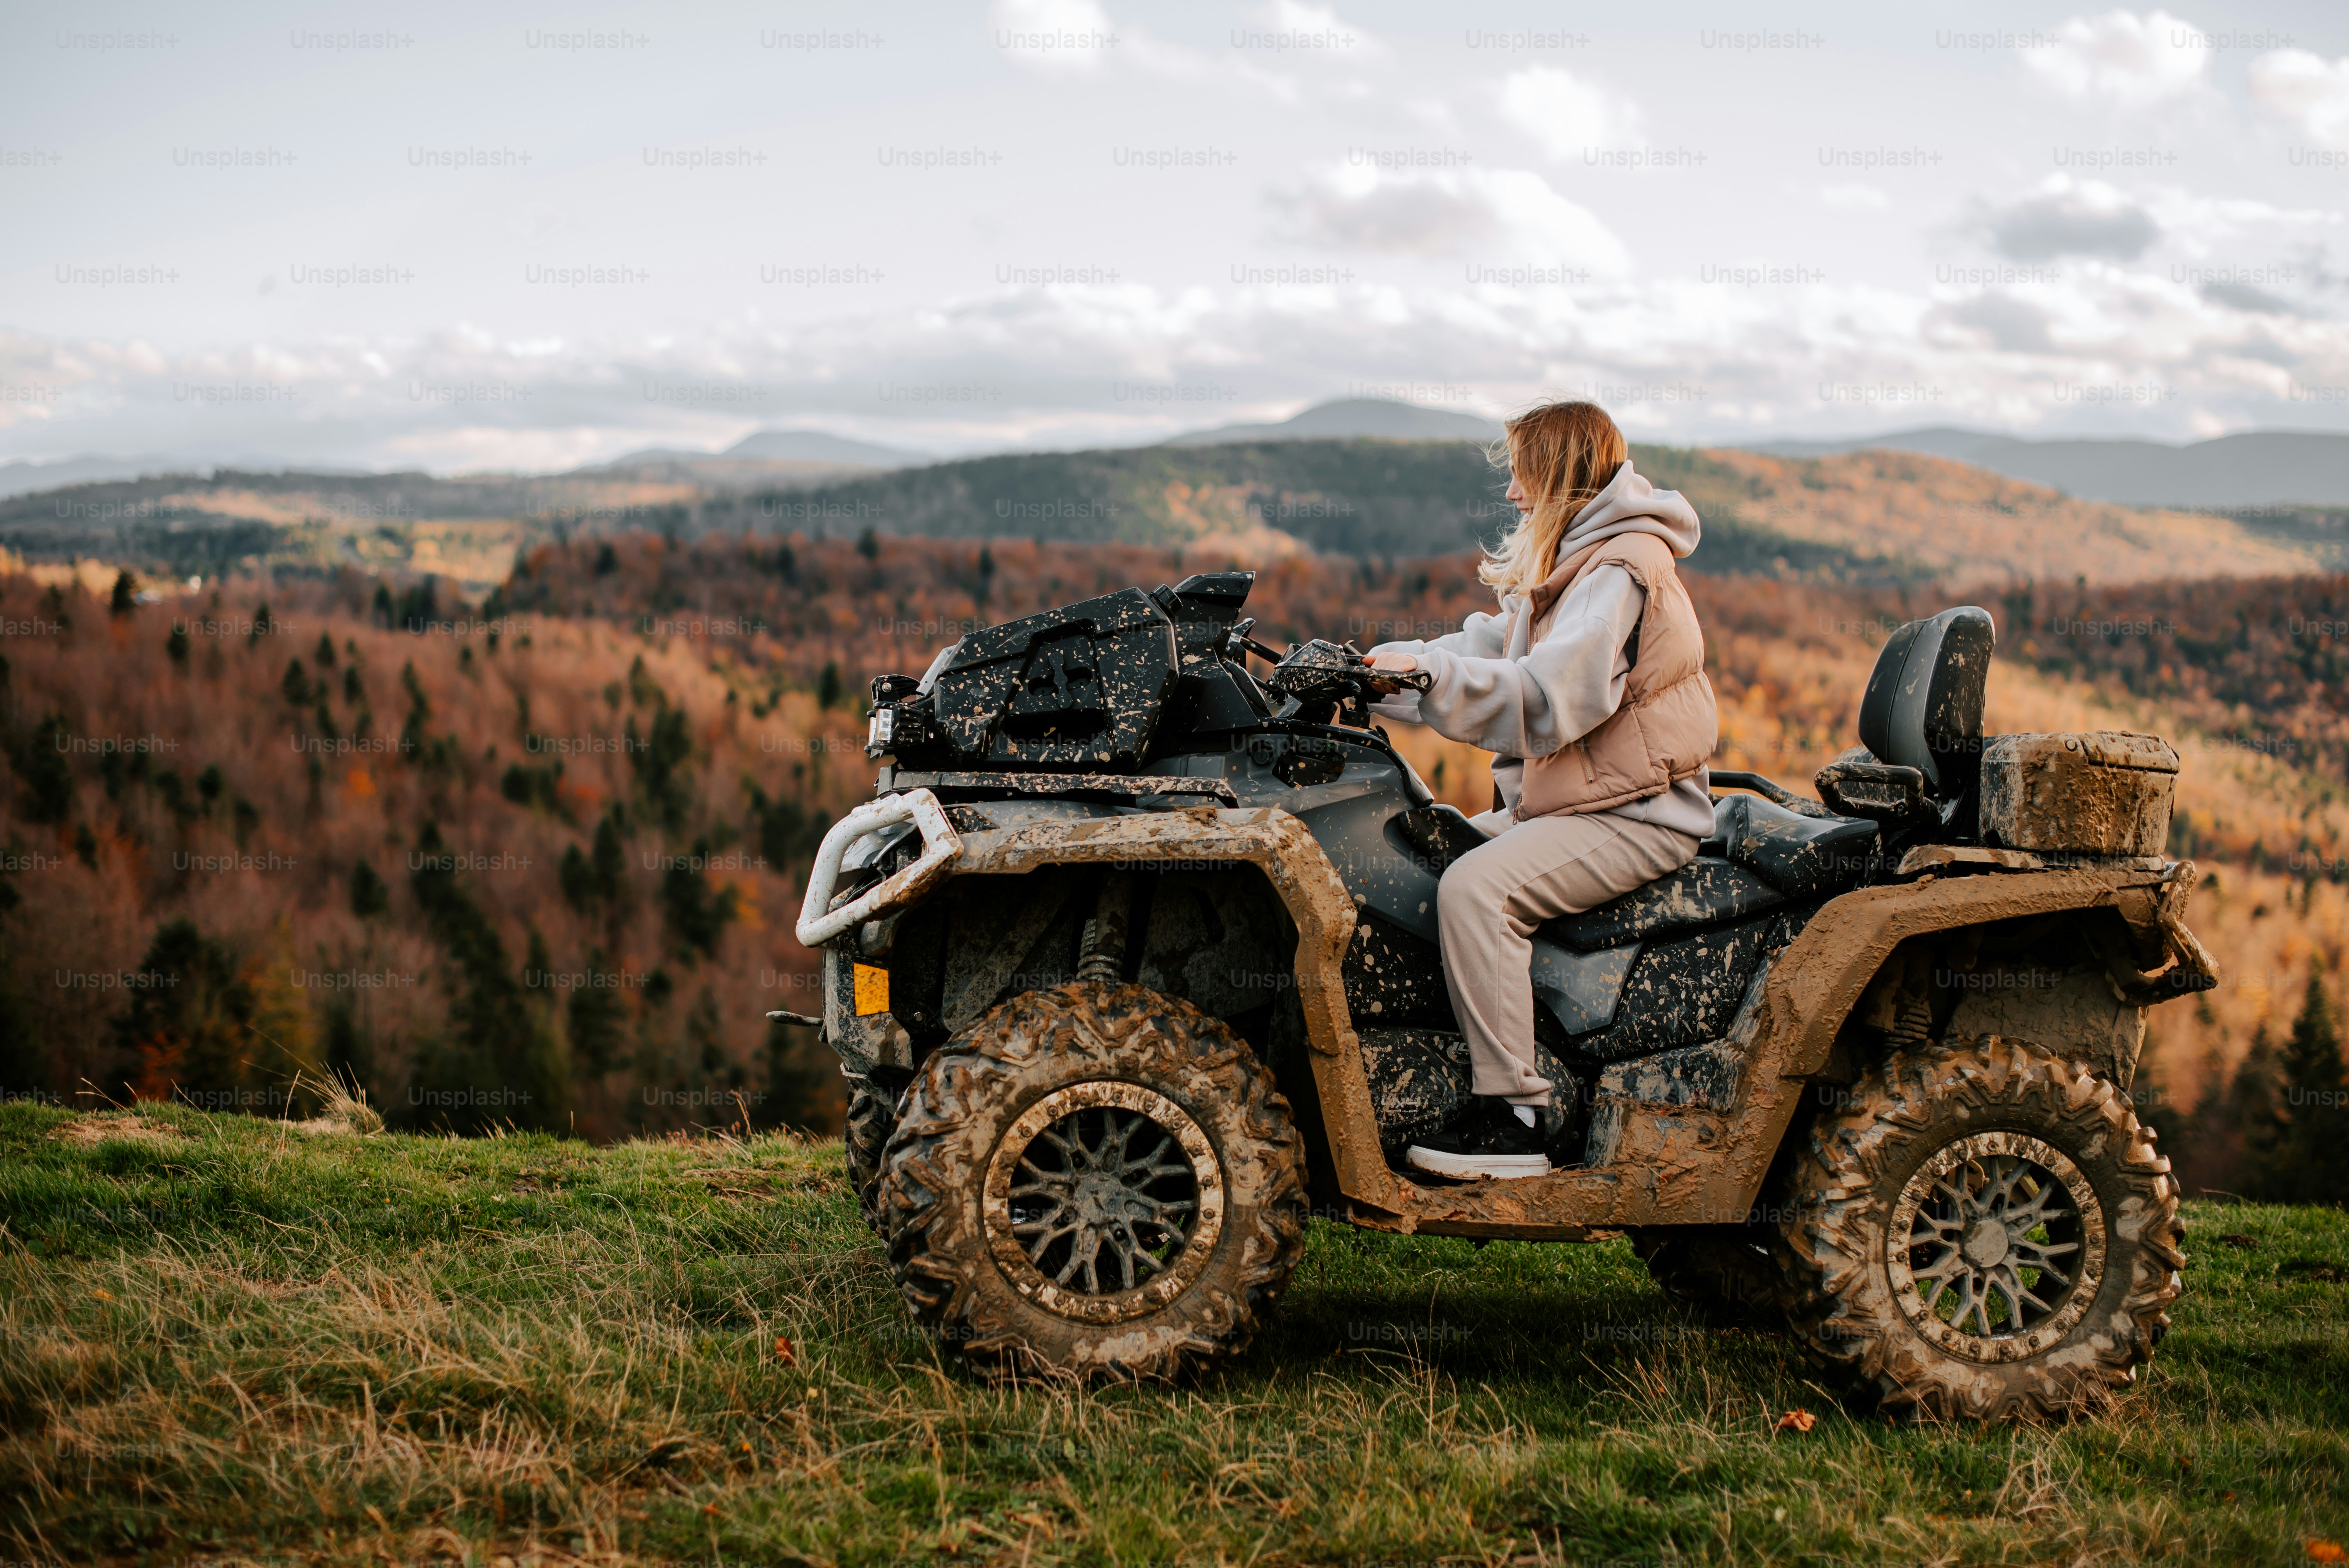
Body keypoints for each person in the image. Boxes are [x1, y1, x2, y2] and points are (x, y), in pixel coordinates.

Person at [1363, 400, 1718, 1180]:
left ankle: (1515, 1116)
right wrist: (1369, 671)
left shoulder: (1620, 570)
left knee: (1475, 890)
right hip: (1585, 800)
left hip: (1636, 813)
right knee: (1425, 853)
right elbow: (1489, 643)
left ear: (1556, 478)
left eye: (1522, 476)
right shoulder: (1576, 558)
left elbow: (1550, 697)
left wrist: (1424, 680)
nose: (1513, 495)